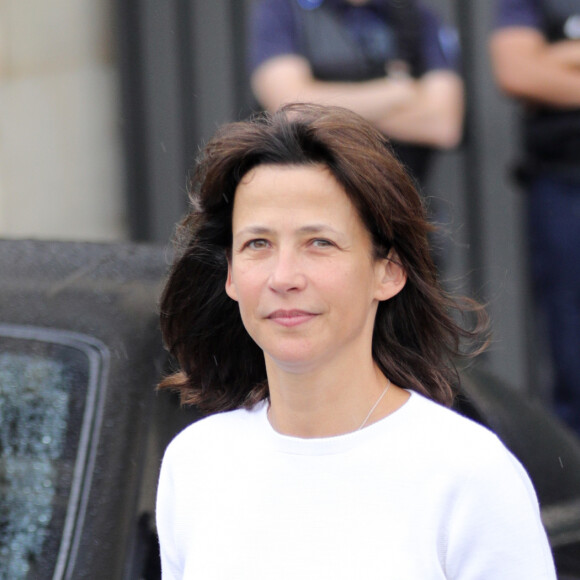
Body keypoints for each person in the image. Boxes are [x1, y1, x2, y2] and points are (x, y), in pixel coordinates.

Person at [156, 103, 556, 579]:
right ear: (230, 276)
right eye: (257, 244)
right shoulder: (196, 462)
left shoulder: (468, 473)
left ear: (388, 272)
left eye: (319, 243)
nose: (283, 277)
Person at [246, 0, 464, 186]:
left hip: (397, 204)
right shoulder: (284, 8)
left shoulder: (418, 14)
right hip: (308, 194)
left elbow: (443, 125)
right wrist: (394, 94)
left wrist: (320, 102)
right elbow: (291, 110)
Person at [489, 0, 580, 437]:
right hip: (564, 183)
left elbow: (537, 66)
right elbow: (518, 70)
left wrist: (561, 55)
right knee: (571, 351)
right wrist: (542, 63)